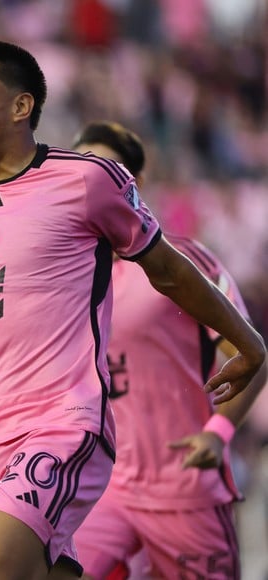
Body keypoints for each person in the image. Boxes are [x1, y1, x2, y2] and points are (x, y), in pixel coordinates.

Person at [0, 39, 266, 580]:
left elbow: (169, 270)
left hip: (69, 429)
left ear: (21, 107)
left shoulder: (85, 184)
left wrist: (250, 347)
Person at [69, 121, 267, 580]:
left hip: (183, 483)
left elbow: (252, 355)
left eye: (104, 173)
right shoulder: (67, 276)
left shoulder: (183, 262)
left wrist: (218, 433)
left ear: (132, 184)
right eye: (81, 174)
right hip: (103, 489)